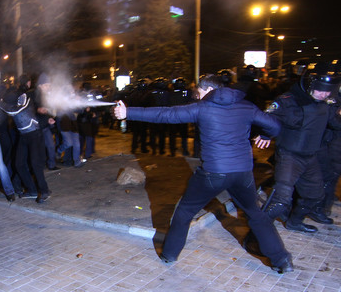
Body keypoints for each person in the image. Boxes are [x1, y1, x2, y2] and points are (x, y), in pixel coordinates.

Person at [113, 75, 293, 274]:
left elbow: (166, 114)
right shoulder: (246, 106)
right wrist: (266, 135)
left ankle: (169, 254)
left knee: (184, 212)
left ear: (207, 89)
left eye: (198, 92)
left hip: (213, 172)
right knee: (256, 214)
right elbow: (275, 125)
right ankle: (282, 259)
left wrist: (127, 112)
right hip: (242, 172)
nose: (197, 97)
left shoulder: (203, 107)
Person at [263, 73, 341, 232]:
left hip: (310, 156)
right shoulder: (289, 101)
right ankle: (259, 230)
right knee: (281, 199)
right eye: (320, 90)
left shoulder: (326, 104)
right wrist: (266, 133)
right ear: (309, 86)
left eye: (327, 91)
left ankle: (294, 222)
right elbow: (268, 117)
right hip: (289, 155)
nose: (324, 94)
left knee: (315, 195)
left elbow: (335, 124)